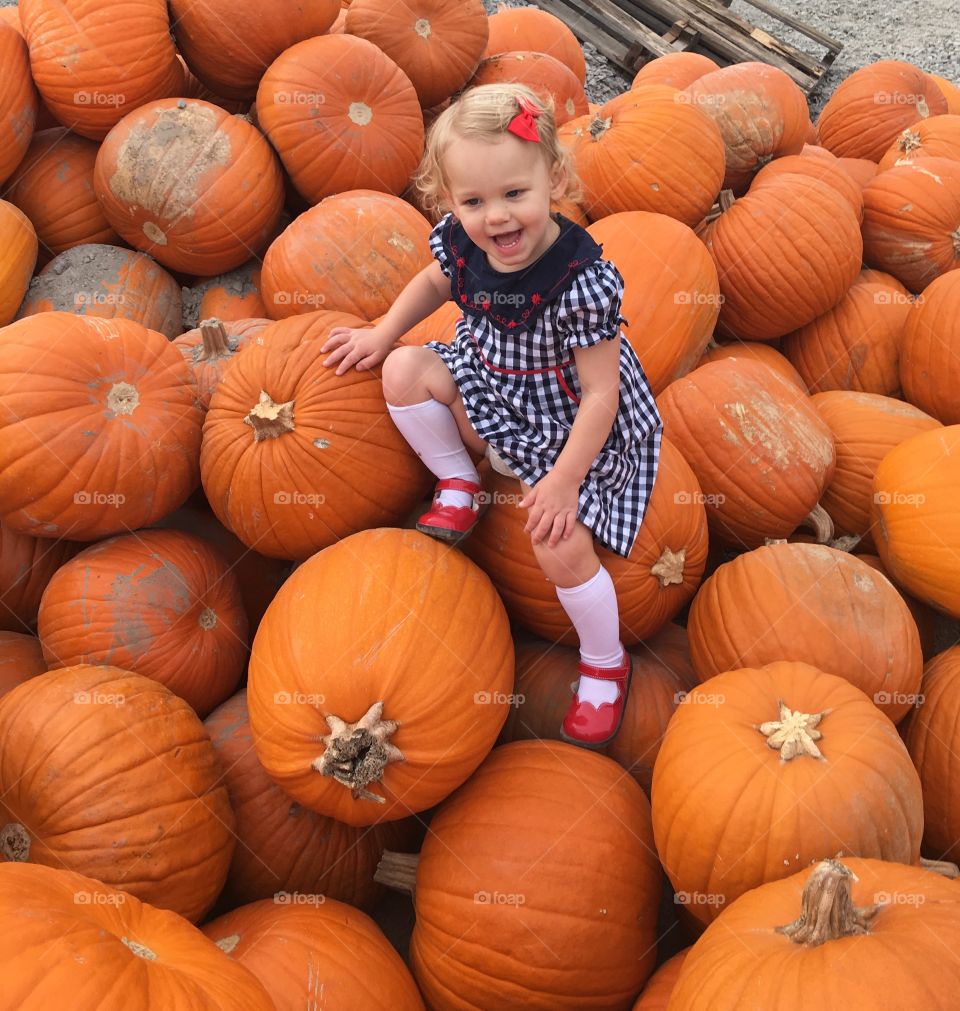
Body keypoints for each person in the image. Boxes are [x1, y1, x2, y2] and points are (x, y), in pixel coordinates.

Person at [321, 83, 662, 749]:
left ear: (555, 178)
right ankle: (460, 481)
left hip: (570, 422)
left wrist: (563, 480)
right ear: (449, 201)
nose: (496, 218)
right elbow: (432, 283)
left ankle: (603, 660)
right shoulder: (463, 242)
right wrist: (382, 333)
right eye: (473, 202)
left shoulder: (582, 282)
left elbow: (601, 396)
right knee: (402, 373)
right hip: (496, 381)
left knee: (557, 541)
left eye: (514, 195)